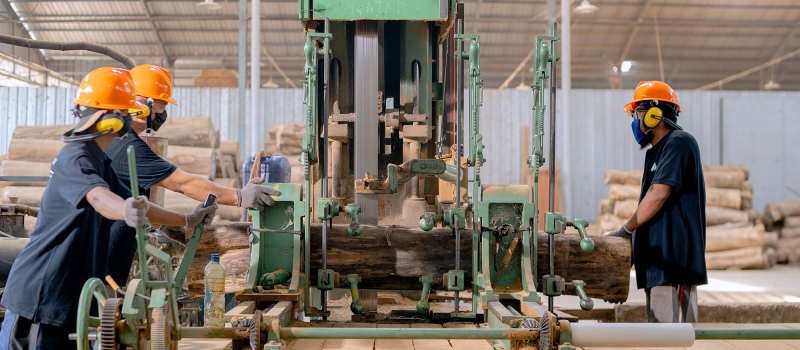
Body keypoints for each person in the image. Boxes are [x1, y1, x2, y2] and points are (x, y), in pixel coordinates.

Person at [0, 67, 218, 350]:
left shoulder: (99, 159)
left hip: (72, 298)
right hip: (42, 300)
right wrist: (125, 210)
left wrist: (186, 219)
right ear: (111, 118)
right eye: (126, 112)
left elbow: (139, 205)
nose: (131, 118)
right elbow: (100, 198)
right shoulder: (76, 158)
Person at [104, 64, 280, 284]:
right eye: (161, 106)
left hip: (103, 261)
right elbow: (182, 183)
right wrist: (239, 196)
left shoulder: (117, 140)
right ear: (140, 104)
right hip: (99, 265)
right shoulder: (127, 147)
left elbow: (133, 203)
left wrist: (170, 223)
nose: (162, 115)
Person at [606, 81, 707, 323]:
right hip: (659, 261)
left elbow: (658, 193)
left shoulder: (679, 142)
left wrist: (626, 229)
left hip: (674, 261)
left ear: (654, 114)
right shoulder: (657, 152)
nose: (635, 121)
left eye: (637, 113)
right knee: (660, 332)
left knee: (673, 335)